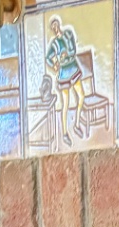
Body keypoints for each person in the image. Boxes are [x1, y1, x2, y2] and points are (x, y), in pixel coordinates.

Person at [45, 15, 86, 147]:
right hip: (63, 74)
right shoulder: (54, 44)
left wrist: (66, 54)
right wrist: (54, 65)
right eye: (53, 27)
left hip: (73, 68)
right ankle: (64, 133)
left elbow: (73, 50)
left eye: (56, 25)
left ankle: (77, 123)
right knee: (65, 104)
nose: (55, 28)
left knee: (81, 96)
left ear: (59, 24)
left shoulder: (68, 34)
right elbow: (48, 58)